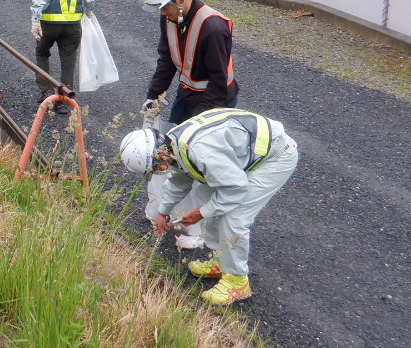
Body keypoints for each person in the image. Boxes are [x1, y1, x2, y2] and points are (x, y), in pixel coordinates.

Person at [119, 107, 298, 306]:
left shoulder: (200, 151)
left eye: (154, 167)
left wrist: (201, 213)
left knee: (233, 216)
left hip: (276, 156)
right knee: (207, 197)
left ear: (159, 157)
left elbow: (235, 189)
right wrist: (163, 212)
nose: (158, 171)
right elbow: (179, 178)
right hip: (245, 155)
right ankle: (222, 262)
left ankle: (238, 281)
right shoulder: (173, 145)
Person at [142, 0, 238, 125]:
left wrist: (197, 122)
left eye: (164, 7)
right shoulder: (169, 19)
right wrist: (152, 95)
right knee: (171, 144)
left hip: (217, 101)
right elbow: (167, 61)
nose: (162, 13)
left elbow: (218, 82)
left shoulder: (212, 28)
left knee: (193, 146)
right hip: (187, 95)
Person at [30, 0, 96, 116]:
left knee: (42, 52)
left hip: (48, 25)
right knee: (68, 59)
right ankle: (65, 99)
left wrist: (35, 20)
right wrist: (88, 11)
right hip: (73, 26)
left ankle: (46, 91)